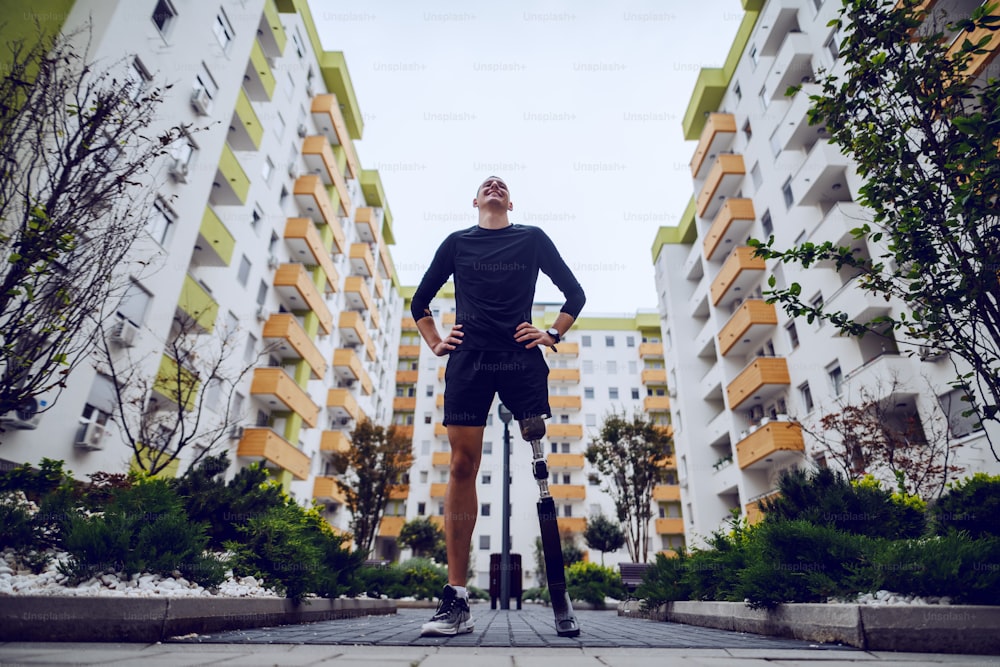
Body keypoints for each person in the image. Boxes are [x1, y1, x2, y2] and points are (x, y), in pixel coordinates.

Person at [411, 176, 586, 637]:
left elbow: (575, 294)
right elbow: (419, 302)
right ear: (475, 201)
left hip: (519, 359)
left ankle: (558, 593)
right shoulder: (456, 243)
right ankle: (456, 599)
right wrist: (435, 341)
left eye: (501, 184)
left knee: (539, 465)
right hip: (468, 360)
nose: (493, 185)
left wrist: (552, 335)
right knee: (462, 466)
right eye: (486, 183)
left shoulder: (531, 238)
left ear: (510, 201)